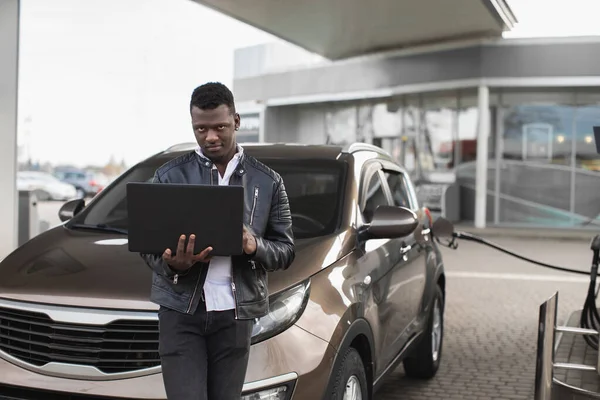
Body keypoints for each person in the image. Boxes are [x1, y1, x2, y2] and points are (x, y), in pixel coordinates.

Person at [140, 82, 295, 400]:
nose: (210, 137)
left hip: (235, 315)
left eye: (220, 127)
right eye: (201, 129)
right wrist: (172, 264)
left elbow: (286, 250)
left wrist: (254, 245)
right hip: (181, 313)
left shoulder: (268, 181)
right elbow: (147, 245)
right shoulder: (168, 177)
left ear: (236, 121)